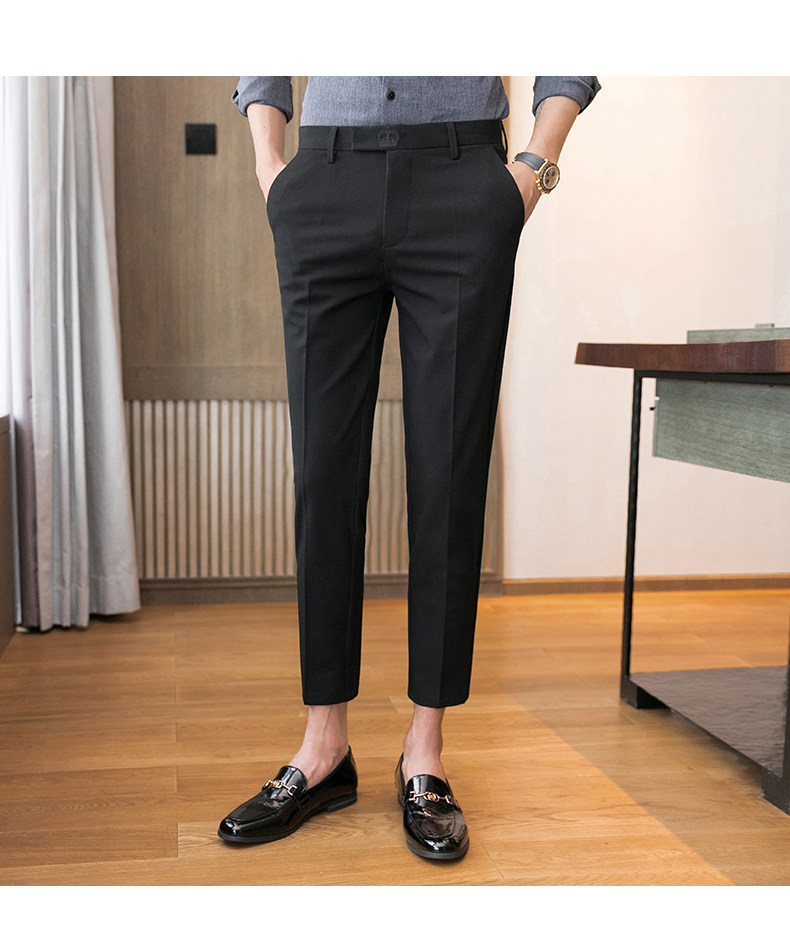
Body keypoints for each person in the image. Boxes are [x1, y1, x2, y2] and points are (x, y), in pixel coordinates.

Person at [218, 76, 600, 860]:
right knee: (322, 475)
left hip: (462, 179)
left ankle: (425, 749)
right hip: (324, 177)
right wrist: (270, 164)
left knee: (448, 474)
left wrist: (534, 165)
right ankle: (323, 746)